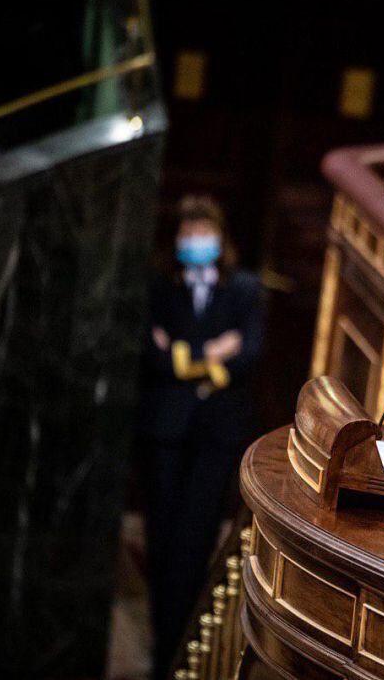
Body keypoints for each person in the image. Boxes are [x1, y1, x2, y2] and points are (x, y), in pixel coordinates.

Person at [137, 195, 263, 678]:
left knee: (195, 545)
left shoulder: (247, 288)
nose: (195, 242)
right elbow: (151, 354)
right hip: (165, 432)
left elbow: (248, 352)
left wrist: (181, 356)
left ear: (221, 237)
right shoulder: (158, 287)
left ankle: (182, 654)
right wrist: (212, 354)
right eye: (186, 233)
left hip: (218, 435)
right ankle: (162, 653)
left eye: (202, 232)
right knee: (162, 543)